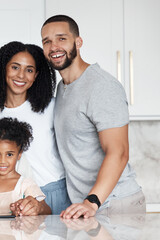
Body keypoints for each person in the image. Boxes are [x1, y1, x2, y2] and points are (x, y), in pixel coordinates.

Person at [41, 15, 145, 218]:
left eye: (61, 38)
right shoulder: (63, 88)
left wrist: (92, 202)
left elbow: (119, 152)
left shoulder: (101, 86)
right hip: (87, 206)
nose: (54, 46)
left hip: (115, 204)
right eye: (47, 41)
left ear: (78, 42)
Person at [0, 41, 70, 214]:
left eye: (29, 70)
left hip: (54, 193)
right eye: (15, 67)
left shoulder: (52, 107)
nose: (21, 75)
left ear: (36, 75)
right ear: (3, 69)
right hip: (11, 197)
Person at [0, 117, 50, 216]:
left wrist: (36, 208)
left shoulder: (26, 184)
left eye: (9, 154)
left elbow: (47, 210)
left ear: (19, 154)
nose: (2, 161)